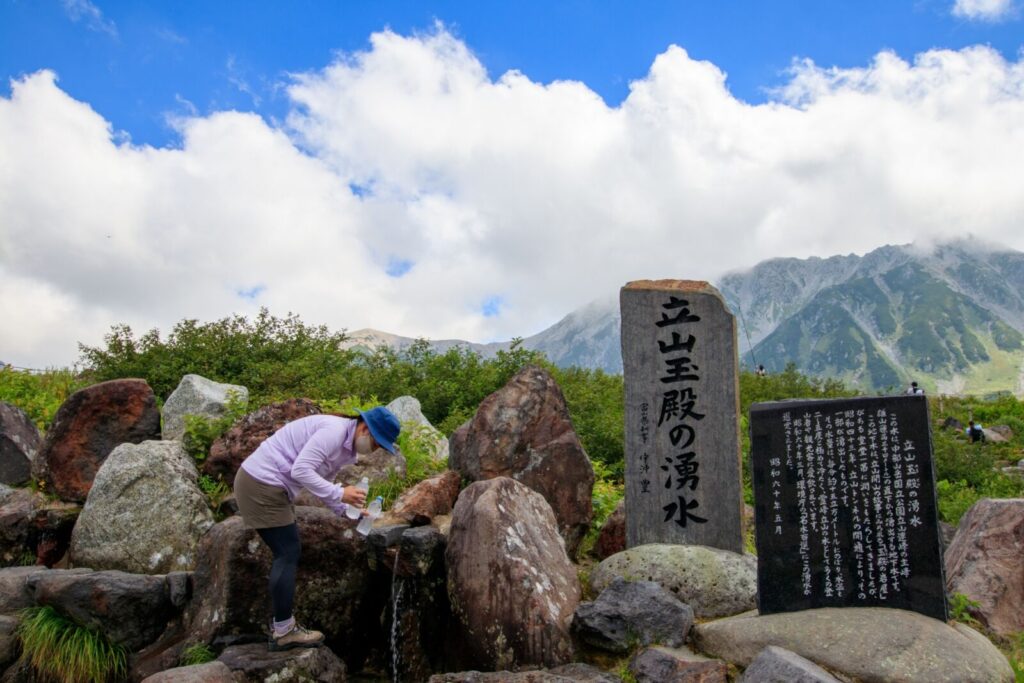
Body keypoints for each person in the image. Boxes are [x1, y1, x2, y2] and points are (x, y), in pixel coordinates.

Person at [233, 406, 401, 651]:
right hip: (261, 483)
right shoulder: (333, 432)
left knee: (287, 551)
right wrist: (340, 493)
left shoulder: (345, 446)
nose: (374, 450)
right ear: (365, 428)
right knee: (287, 552)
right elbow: (300, 470)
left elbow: (323, 482)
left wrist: (347, 510)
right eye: (376, 444)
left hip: (269, 485)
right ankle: (283, 632)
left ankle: (282, 627)